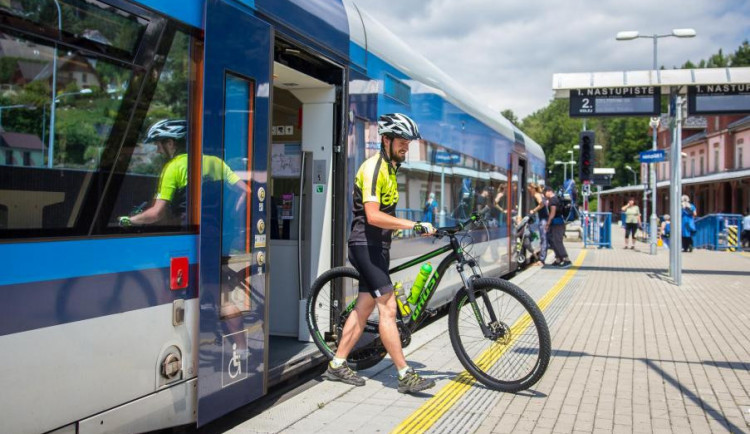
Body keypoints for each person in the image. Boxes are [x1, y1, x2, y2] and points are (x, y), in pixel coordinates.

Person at [323, 113, 436, 394]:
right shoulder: (373, 169)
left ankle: (337, 364)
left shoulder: (391, 168)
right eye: (401, 142)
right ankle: (404, 374)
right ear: (386, 140)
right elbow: (373, 216)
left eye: (408, 143)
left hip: (378, 248)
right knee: (388, 306)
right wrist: (413, 224)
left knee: (364, 308)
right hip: (365, 246)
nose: (405, 148)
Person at [118, 119, 247, 227]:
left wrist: (129, 220)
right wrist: (232, 217)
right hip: (217, 231)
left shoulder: (173, 167)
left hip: (185, 231)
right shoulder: (216, 162)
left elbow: (157, 214)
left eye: (158, 145)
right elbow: (245, 191)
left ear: (170, 143)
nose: (158, 151)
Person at [543, 185, 571, 268]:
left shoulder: (553, 200)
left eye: (544, 193)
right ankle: (558, 259)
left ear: (548, 191)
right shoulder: (555, 199)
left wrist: (547, 224)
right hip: (557, 223)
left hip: (557, 224)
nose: (544, 196)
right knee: (553, 241)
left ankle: (566, 259)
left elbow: (552, 213)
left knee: (557, 241)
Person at [528, 183, 547, 265]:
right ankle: (542, 258)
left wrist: (534, 210)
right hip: (544, 218)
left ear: (533, 188)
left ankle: (541, 260)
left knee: (543, 239)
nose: (529, 190)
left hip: (543, 219)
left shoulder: (536, 195)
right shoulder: (540, 194)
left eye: (529, 189)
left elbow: (541, 204)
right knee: (544, 239)